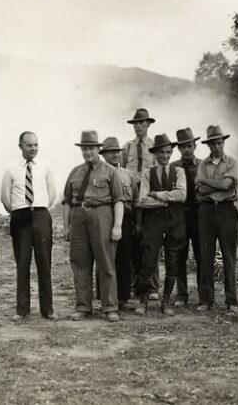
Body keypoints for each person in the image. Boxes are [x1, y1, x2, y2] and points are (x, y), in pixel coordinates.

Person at [63, 131, 124, 323]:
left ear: (98, 149)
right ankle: (83, 306)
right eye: (85, 149)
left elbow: (119, 200)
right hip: (79, 218)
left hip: (102, 216)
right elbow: (66, 201)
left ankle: (110, 307)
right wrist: (66, 226)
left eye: (91, 148)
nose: (88, 152)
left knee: (106, 264)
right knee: (80, 264)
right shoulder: (75, 172)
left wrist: (117, 226)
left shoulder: (109, 171)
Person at [0, 131, 58, 322]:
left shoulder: (45, 167)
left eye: (36, 145)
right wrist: (18, 213)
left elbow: (52, 194)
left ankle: (47, 310)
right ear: (20, 146)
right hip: (20, 217)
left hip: (41, 215)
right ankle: (22, 309)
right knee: (22, 263)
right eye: (29, 145)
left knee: (44, 263)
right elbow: (5, 197)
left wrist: (39, 209)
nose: (33, 148)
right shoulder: (10, 169)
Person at [135, 134, 187, 316]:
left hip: (175, 220)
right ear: (155, 153)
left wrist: (157, 195)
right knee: (149, 259)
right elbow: (142, 200)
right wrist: (168, 199)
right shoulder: (148, 174)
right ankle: (143, 301)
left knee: (172, 260)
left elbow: (182, 195)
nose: (165, 156)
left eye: (168, 152)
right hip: (154, 221)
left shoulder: (179, 172)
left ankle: (166, 301)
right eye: (161, 153)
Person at [196, 125, 238, 314]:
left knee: (229, 257)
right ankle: (207, 300)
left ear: (224, 143)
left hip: (226, 211)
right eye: (213, 143)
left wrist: (206, 182)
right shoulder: (202, 164)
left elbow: (227, 184)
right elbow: (200, 190)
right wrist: (218, 186)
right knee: (206, 256)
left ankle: (232, 301)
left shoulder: (232, 162)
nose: (216, 146)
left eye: (219, 143)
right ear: (208, 145)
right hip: (206, 211)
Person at [121, 108, 159, 299]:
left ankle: (152, 286)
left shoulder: (153, 146)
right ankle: (134, 284)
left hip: (148, 199)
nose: (138, 127)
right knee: (131, 241)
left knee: (151, 241)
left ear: (148, 125)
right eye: (135, 123)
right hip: (131, 199)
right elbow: (121, 173)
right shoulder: (126, 148)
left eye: (142, 123)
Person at [99, 136, 138, 311]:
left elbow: (136, 200)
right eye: (111, 152)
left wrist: (137, 223)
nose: (115, 155)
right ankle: (105, 297)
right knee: (105, 259)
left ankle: (123, 297)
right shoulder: (99, 173)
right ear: (103, 154)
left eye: (117, 152)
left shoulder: (128, 175)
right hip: (105, 218)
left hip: (126, 220)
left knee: (124, 258)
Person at [170, 127, 202, 307]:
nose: (186, 150)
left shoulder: (203, 165)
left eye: (189, 145)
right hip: (180, 215)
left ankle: (203, 294)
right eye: (183, 147)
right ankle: (181, 294)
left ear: (195, 146)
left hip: (198, 215)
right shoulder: (173, 167)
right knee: (179, 255)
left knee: (201, 254)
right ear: (179, 149)